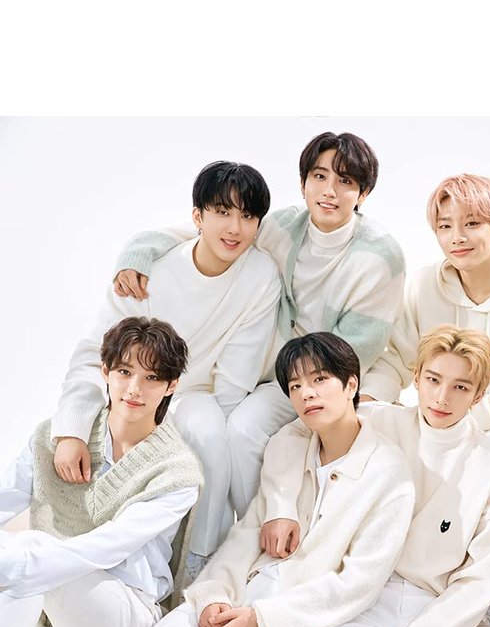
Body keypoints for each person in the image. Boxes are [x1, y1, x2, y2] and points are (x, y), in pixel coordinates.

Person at [112, 132, 406, 529]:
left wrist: (298, 383)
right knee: (221, 430)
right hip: (263, 374)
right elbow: (210, 229)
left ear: (363, 194)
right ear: (303, 184)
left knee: (245, 429)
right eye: (319, 176)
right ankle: (242, 533)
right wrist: (137, 251)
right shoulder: (282, 226)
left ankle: (261, 529)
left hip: (319, 377)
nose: (330, 191)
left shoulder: (380, 257)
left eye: (345, 181)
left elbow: (356, 351)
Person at [52, 161, 280, 573]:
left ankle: (200, 561)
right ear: (198, 217)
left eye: (248, 216)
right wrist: (72, 429)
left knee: (210, 432)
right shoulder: (146, 273)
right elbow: (93, 355)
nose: (234, 228)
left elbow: (234, 378)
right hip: (137, 393)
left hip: (200, 396)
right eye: (222, 212)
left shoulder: (262, 275)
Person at [360, 173, 490, 627]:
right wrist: (368, 400)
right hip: (435, 411)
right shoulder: (426, 284)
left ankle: (488, 586)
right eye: (444, 226)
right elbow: (398, 356)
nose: (456, 238)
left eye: (471, 224)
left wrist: (449, 419)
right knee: (369, 430)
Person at [132, 333, 415, 627]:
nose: (306, 394)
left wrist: (261, 621)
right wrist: (214, 594)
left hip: (289, 621)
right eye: (295, 386)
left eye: (320, 379)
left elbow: (358, 583)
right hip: (240, 595)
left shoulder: (389, 474)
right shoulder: (290, 451)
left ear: (351, 385)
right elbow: (247, 533)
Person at [266, 326, 490, 627]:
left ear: (479, 395)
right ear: (416, 378)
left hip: (436, 609)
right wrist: (281, 507)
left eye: (460, 387)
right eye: (433, 380)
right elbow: (294, 434)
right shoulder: (374, 421)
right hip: (360, 597)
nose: (442, 397)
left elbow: (479, 583)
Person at [0, 317, 203, 627]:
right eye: (124, 372)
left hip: (126, 612)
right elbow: (5, 497)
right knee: (18, 550)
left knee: (29, 548)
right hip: (50, 595)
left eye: (152, 377)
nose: (134, 389)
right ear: (105, 372)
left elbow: (108, 546)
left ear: (171, 385)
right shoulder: (55, 437)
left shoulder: (176, 472)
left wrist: (15, 565)